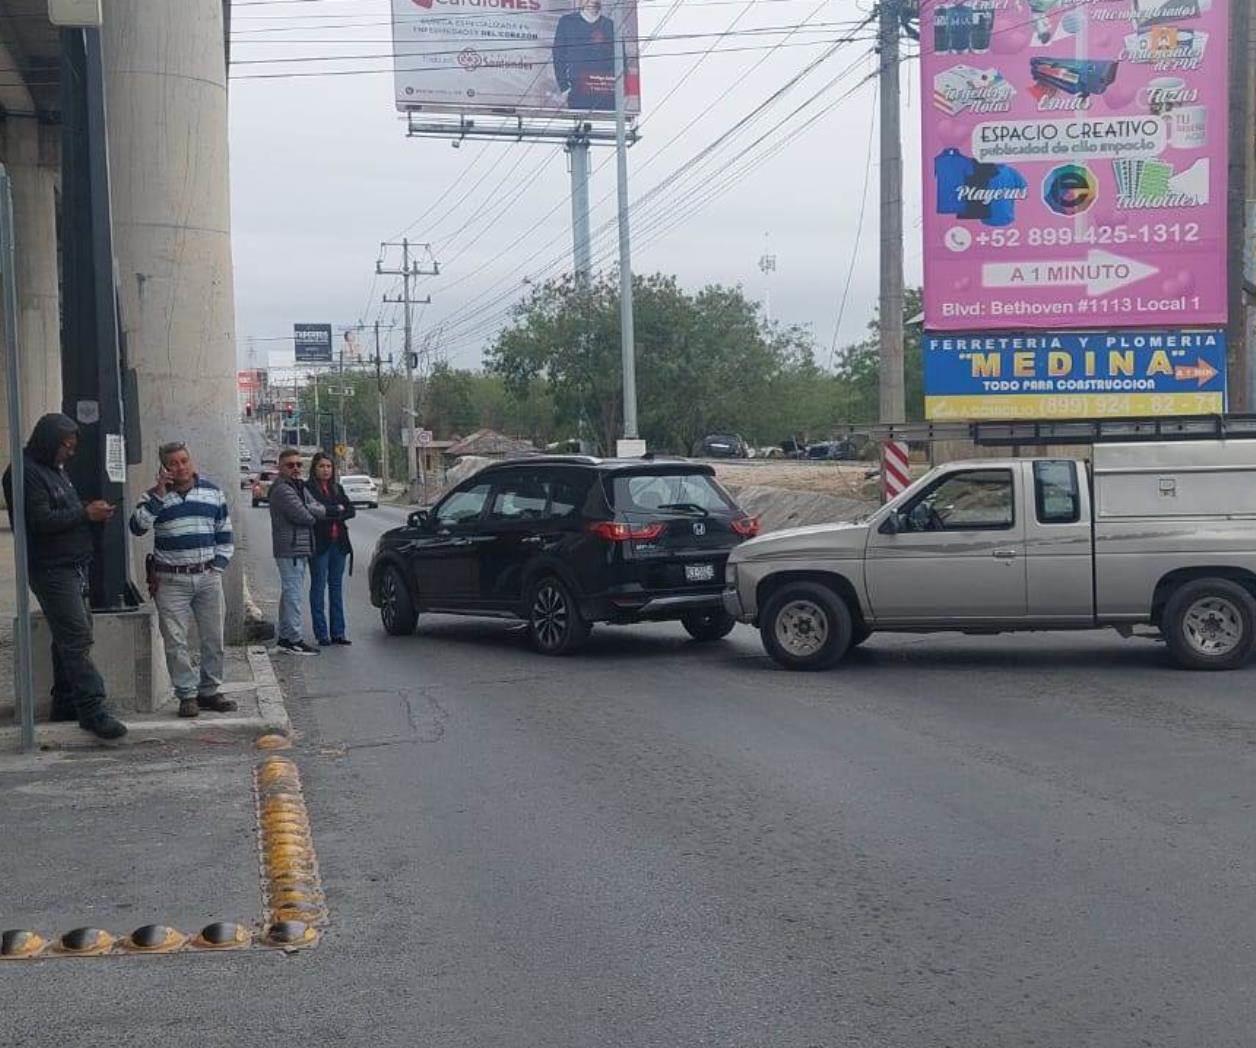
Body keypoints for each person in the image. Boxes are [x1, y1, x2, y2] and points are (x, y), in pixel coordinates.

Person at [1, 413, 127, 739]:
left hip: (73, 564)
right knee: (76, 637)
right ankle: (92, 709)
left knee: (68, 636)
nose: (70, 453)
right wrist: (85, 513)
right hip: (51, 568)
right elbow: (40, 520)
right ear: (49, 442)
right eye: (66, 447)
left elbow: (61, 509)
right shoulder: (24, 473)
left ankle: (67, 701)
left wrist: (88, 509)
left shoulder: (54, 470)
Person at [128, 441, 237, 719]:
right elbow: (137, 527)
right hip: (171, 580)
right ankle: (187, 694)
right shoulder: (152, 497)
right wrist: (159, 494)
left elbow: (224, 534)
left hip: (207, 576)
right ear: (164, 468)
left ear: (192, 461)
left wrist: (219, 567)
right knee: (175, 640)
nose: (180, 467)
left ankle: (210, 691)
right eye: (173, 463)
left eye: (184, 461)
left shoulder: (212, 493)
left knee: (213, 637)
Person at [268, 448, 339, 655]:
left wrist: (315, 510)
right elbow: (305, 516)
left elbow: (314, 506)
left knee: (289, 593)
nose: (296, 468)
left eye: (299, 464)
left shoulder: (297, 486)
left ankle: (285, 637)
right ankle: (295, 640)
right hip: (290, 548)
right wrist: (317, 512)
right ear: (280, 467)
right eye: (290, 465)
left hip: (298, 547)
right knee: (293, 595)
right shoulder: (282, 489)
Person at [306, 452, 356, 647]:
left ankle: (339, 632)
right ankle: (321, 633)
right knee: (318, 587)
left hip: (339, 544)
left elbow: (350, 510)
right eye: (321, 466)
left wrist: (332, 511)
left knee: (336, 587)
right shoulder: (308, 488)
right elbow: (314, 511)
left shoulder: (338, 488)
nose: (325, 470)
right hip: (320, 544)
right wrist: (337, 510)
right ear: (314, 468)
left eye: (328, 466)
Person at [552, 0, 615, 111]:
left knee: (605, 127)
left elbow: (621, 60)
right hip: (578, 92)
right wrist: (564, 88)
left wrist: (620, 89)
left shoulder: (610, 25)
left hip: (605, 94)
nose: (592, 1)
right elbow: (558, 56)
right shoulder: (567, 22)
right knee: (580, 126)